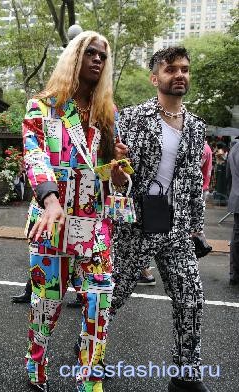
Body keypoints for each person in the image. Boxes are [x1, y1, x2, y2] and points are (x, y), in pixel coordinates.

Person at [21, 31, 123, 392]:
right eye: (90, 52)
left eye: (103, 56)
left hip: (94, 226)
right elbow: (34, 158)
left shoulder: (106, 114)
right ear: (73, 57)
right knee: (46, 305)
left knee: (99, 301)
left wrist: (119, 174)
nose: (97, 59)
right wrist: (50, 200)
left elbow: (108, 170)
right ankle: (37, 360)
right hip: (51, 225)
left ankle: (90, 379)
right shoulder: (41, 108)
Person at [109, 47, 210, 392]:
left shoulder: (196, 126)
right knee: (114, 296)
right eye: (171, 69)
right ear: (155, 78)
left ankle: (186, 374)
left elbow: (194, 179)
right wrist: (117, 173)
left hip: (178, 227)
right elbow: (115, 169)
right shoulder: (133, 117)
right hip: (135, 225)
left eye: (184, 68)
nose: (179, 74)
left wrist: (197, 226)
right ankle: (89, 350)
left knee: (191, 298)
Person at [226, 140, 239, 286]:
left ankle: (234, 274)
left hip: (236, 196)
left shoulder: (234, 149)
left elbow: (228, 176)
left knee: (236, 238)